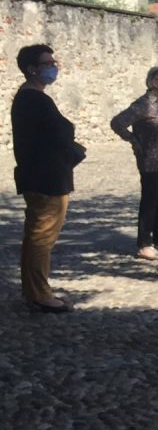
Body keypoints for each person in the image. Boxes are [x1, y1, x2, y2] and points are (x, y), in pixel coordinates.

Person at [11, 43, 83, 313]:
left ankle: (34, 290)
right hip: (46, 179)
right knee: (42, 237)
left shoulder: (30, 97)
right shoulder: (33, 99)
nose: (54, 67)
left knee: (36, 236)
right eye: (47, 63)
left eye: (54, 63)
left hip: (42, 175)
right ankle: (40, 295)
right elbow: (58, 133)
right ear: (31, 69)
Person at [111, 66, 158, 260]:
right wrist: (134, 141)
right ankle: (144, 243)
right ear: (153, 82)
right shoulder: (143, 104)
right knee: (150, 201)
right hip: (150, 159)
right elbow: (117, 122)